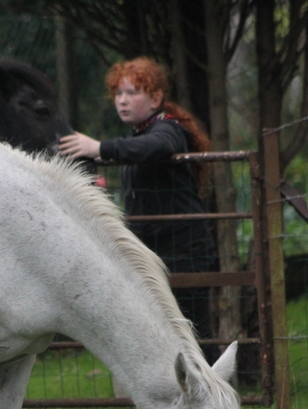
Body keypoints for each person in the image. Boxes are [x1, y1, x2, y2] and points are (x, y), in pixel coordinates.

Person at [59, 56, 220, 363]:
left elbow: (158, 147)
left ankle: (219, 387)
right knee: (167, 336)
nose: (122, 100)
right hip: (157, 251)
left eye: (132, 93)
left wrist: (100, 148)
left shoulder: (167, 129)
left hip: (185, 251)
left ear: (156, 98)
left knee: (196, 336)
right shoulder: (139, 135)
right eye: (118, 93)